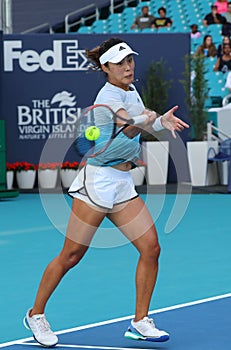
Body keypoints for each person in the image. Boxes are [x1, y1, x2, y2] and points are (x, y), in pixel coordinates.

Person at [23, 37, 189, 347]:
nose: (128, 67)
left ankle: (140, 321)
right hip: (98, 183)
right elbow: (119, 131)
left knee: (151, 248)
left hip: (123, 183)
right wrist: (146, 120)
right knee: (71, 255)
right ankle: (36, 314)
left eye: (130, 60)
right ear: (105, 67)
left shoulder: (130, 90)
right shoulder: (107, 96)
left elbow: (137, 127)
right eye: (120, 63)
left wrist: (161, 122)